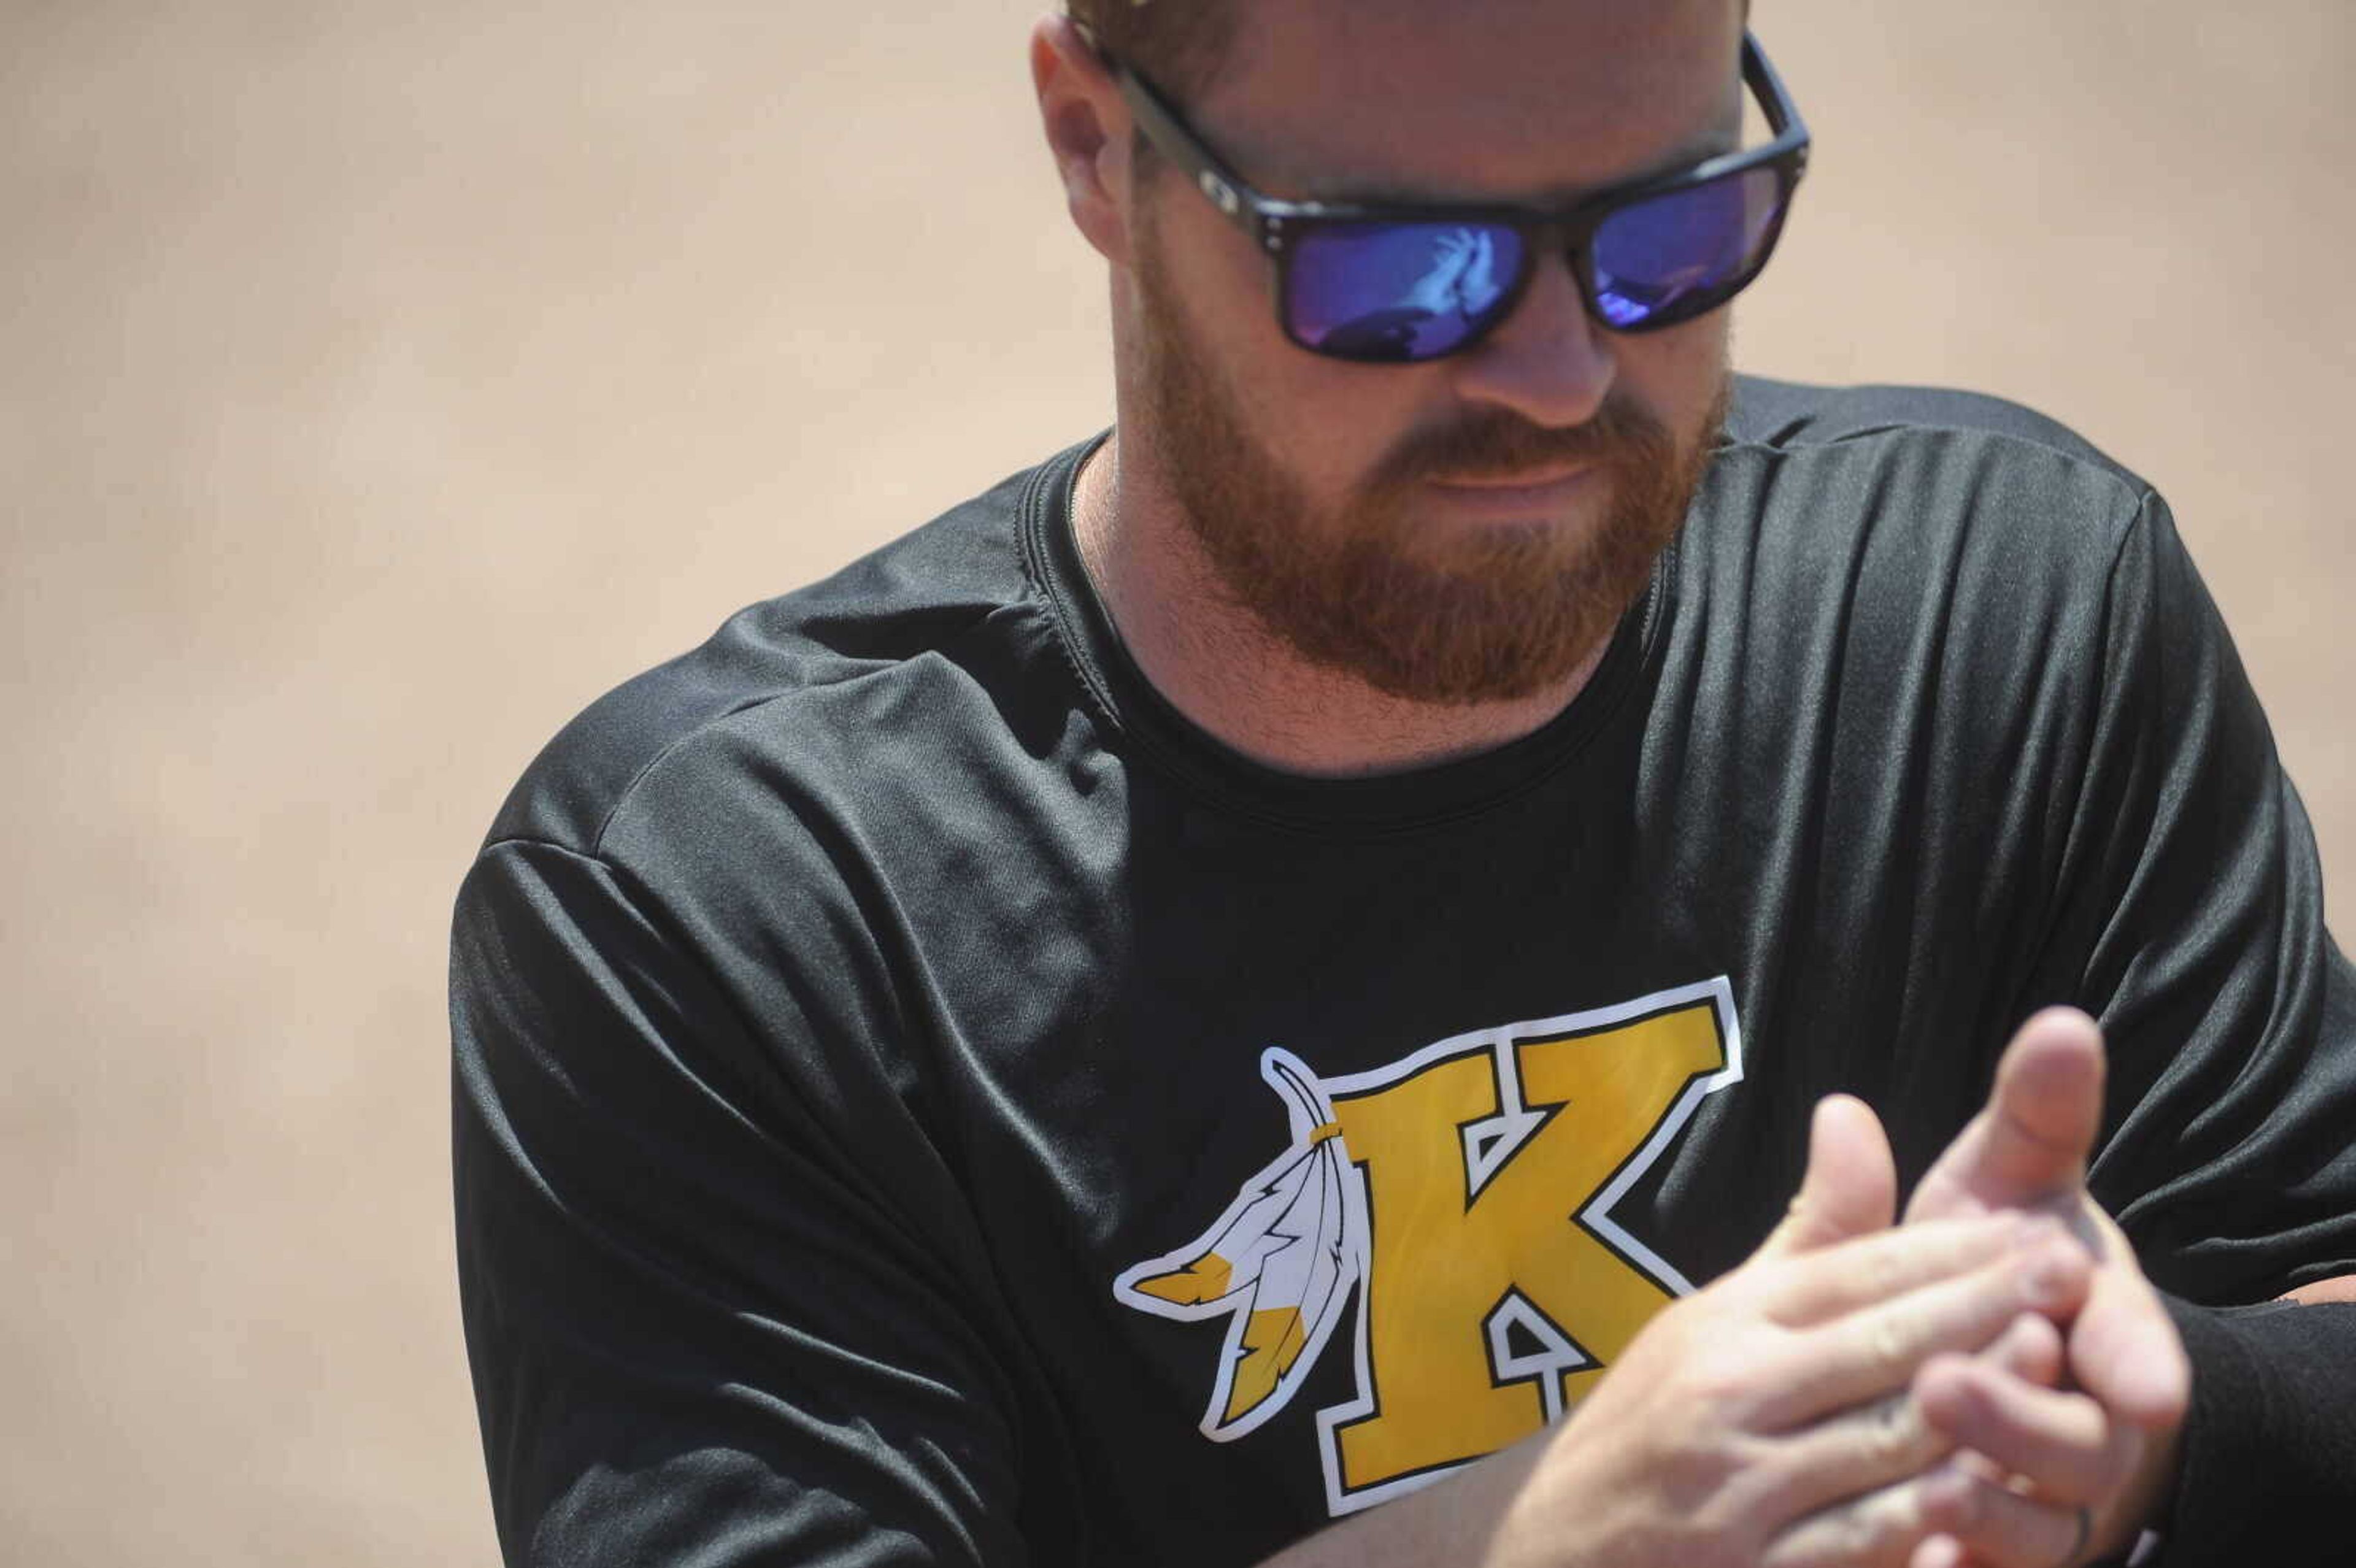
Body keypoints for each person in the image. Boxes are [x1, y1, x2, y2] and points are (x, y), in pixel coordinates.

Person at [448, 2, 2356, 1564]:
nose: (1552, 372)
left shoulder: (2001, 615)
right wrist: (1537, 1543)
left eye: (1669, 233)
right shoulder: (726, 911)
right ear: (1097, 145)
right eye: (1401, 266)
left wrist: (2142, 1412)